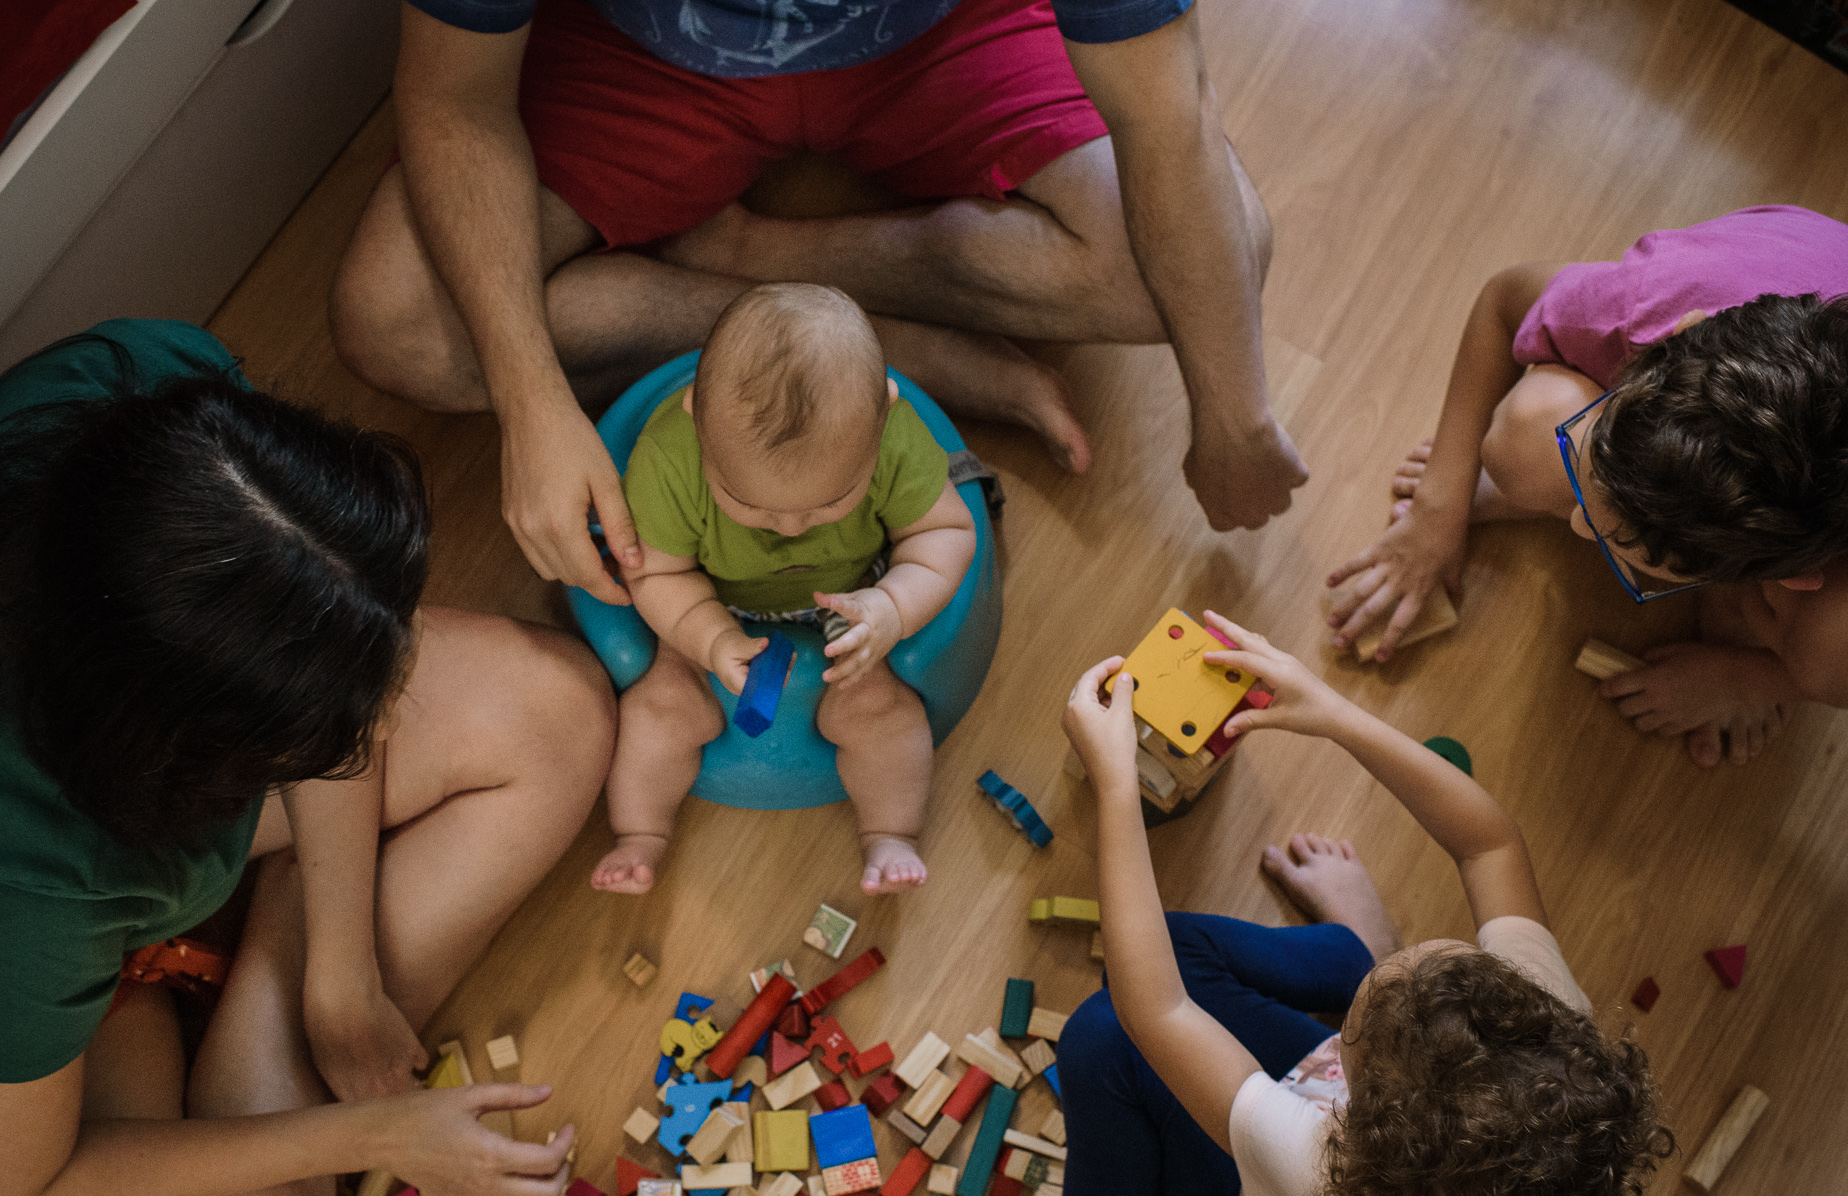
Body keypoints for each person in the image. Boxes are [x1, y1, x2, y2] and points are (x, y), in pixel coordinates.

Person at [0, 320, 615, 1196]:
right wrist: (370, 1135)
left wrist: (337, 963)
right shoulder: (19, 883)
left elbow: (346, 709)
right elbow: (15, 1178)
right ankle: (210, 1011)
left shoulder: (152, 400)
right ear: (189, 757)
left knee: (558, 717)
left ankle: (259, 996)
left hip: (88, 810)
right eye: (333, 726)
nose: (383, 722)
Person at [328, 0, 1310, 614]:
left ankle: (760, 254)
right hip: (637, 56)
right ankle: (904, 351)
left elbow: (1165, 109)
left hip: (948, 32)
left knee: (1191, 268)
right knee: (400, 325)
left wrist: (1233, 413)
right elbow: (455, 99)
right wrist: (531, 401)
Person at [1028, 614, 1669, 1196]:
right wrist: (1334, 714)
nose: (1399, 974)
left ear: (1352, 1097)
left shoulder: (1325, 1171)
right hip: (1401, 1181)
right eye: (1419, 958)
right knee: (1166, 953)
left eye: (1371, 1001)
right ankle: (1363, 942)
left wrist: (1115, 786)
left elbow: (1155, 1008)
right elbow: (1488, 839)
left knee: (1102, 1035)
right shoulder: (1542, 1027)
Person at [1325, 205, 1848, 767]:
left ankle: (1741, 617)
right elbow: (1503, 301)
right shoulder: (1643, 304)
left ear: (1793, 576)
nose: (1578, 522)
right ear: (1678, 336)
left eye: (1646, 556)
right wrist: (1438, 505)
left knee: (1830, 656)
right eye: (1600, 453)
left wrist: (1747, 679)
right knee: (1523, 441)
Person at [593, 285, 975, 896]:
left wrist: (893, 607)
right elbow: (657, 573)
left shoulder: (895, 441)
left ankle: (890, 834)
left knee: (883, 713)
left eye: (829, 503)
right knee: (659, 708)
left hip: (854, 596)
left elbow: (947, 533)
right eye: (749, 504)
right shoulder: (668, 460)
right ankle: (641, 835)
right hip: (711, 596)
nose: (791, 527)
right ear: (697, 419)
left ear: (885, 413)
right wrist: (710, 638)